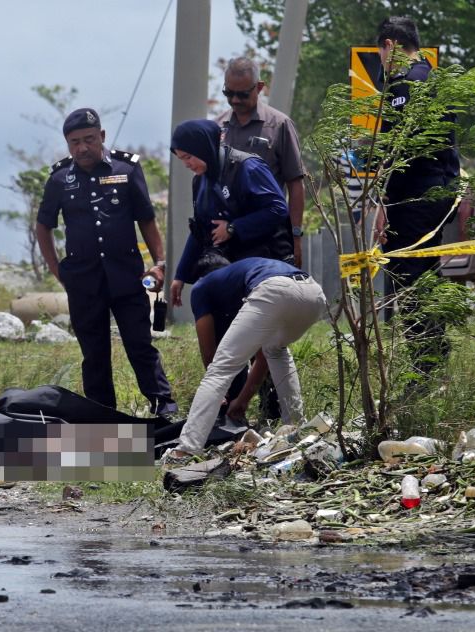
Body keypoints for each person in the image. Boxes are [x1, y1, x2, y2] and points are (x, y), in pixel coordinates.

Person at [35, 108, 176, 418]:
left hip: (125, 276)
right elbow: (43, 226)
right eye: (74, 142)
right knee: (94, 354)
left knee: (139, 344)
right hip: (83, 281)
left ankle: (163, 406)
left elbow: (146, 220)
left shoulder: (127, 169)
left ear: (101, 136)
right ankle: (102, 414)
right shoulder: (60, 178)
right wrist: (58, 271)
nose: (82, 148)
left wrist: (160, 263)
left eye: (88, 139)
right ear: (67, 144)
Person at [169, 119, 306, 425]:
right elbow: (200, 229)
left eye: (190, 157)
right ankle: (231, 410)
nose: (188, 164)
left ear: (205, 147)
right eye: (182, 160)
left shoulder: (246, 167)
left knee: (267, 343)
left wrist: (234, 227)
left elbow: (277, 210)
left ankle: (273, 415)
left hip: (266, 264)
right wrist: (179, 275)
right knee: (231, 338)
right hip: (232, 270)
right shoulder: (200, 180)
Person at [165, 254, 327, 460]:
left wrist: (221, 396)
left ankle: (185, 450)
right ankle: (298, 430)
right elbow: (263, 357)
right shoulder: (245, 274)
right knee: (276, 351)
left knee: (220, 368)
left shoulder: (201, 286)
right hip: (314, 293)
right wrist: (242, 400)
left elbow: (209, 353)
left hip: (276, 290)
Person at [373, 16, 460, 375]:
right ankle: (433, 359)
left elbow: (402, 152)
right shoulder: (434, 80)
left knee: (406, 281)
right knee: (424, 276)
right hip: (439, 194)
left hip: (414, 198)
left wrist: (382, 202)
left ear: (390, 46)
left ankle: (427, 366)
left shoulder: (405, 85)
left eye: (381, 52)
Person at [215, 56, 306, 267]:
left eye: (242, 94)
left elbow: (295, 183)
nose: (235, 100)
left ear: (259, 87)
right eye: (229, 93)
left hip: (269, 237)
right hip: (226, 239)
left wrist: (296, 236)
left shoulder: (279, 125)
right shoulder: (216, 127)